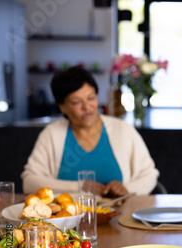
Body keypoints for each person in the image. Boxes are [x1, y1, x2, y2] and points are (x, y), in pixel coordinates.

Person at [21, 66, 159, 197]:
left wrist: (127, 189)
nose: (87, 107)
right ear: (62, 107)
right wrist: (80, 187)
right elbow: (30, 183)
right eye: (76, 102)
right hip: (66, 220)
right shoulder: (51, 134)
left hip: (121, 217)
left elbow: (150, 175)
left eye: (91, 98)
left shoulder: (123, 130)